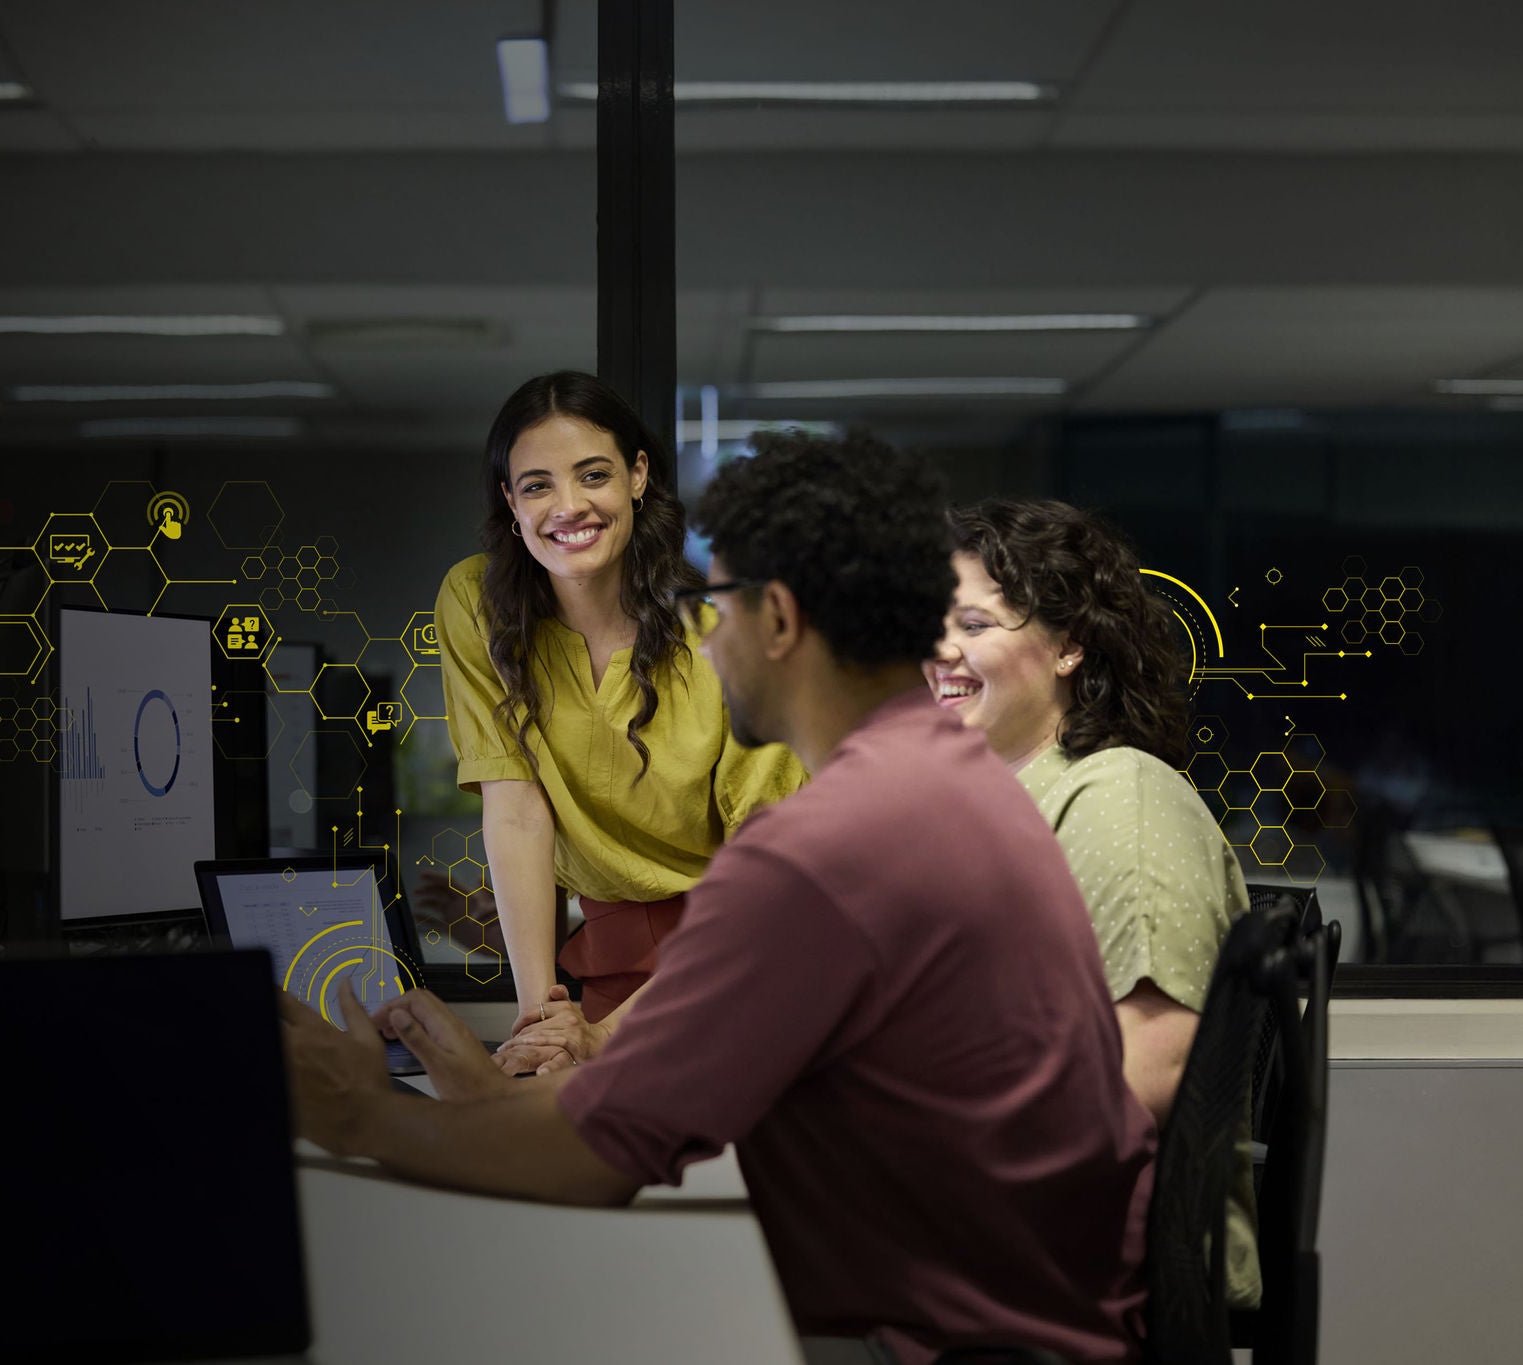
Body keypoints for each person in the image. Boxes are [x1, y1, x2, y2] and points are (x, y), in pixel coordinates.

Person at [285, 434, 1154, 1363]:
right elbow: (622, 1109)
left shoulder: (829, 848)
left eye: (713, 603)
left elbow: (598, 1160)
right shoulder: (947, 780)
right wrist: (481, 1106)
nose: (704, 637)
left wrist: (362, 1115)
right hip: (1028, 1321)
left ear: (775, 619)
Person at [926, 497, 1256, 1306]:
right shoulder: (991, 812)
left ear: (1070, 644)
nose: (939, 649)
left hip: (1099, 1254)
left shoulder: (1119, 801)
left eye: (973, 623)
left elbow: (1146, 1071)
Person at [433, 371, 804, 1069]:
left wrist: (603, 1035)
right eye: (537, 484)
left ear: (638, 477)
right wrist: (538, 1018)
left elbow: (770, 879)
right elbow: (514, 809)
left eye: (593, 474)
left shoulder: (731, 632)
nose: (568, 506)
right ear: (511, 502)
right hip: (607, 957)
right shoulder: (475, 603)